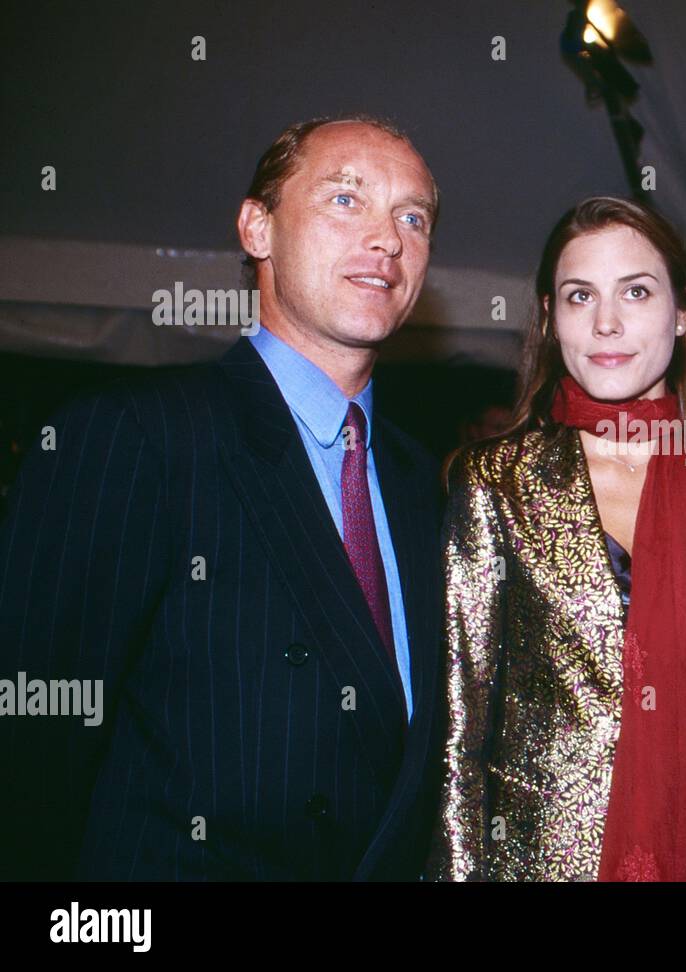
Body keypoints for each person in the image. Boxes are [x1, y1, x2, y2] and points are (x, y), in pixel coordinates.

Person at [0, 115, 445, 880]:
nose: (389, 239)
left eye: (413, 217)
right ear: (257, 228)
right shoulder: (134, 437)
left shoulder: (422, 482)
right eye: (347, 199)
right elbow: (31, 751)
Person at [438, 197, 686, 881]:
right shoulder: (496, 482)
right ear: (550, 321)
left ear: (683, 311)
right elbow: (461, 729)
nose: (607, 322)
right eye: (580, 297)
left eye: (636, 291)